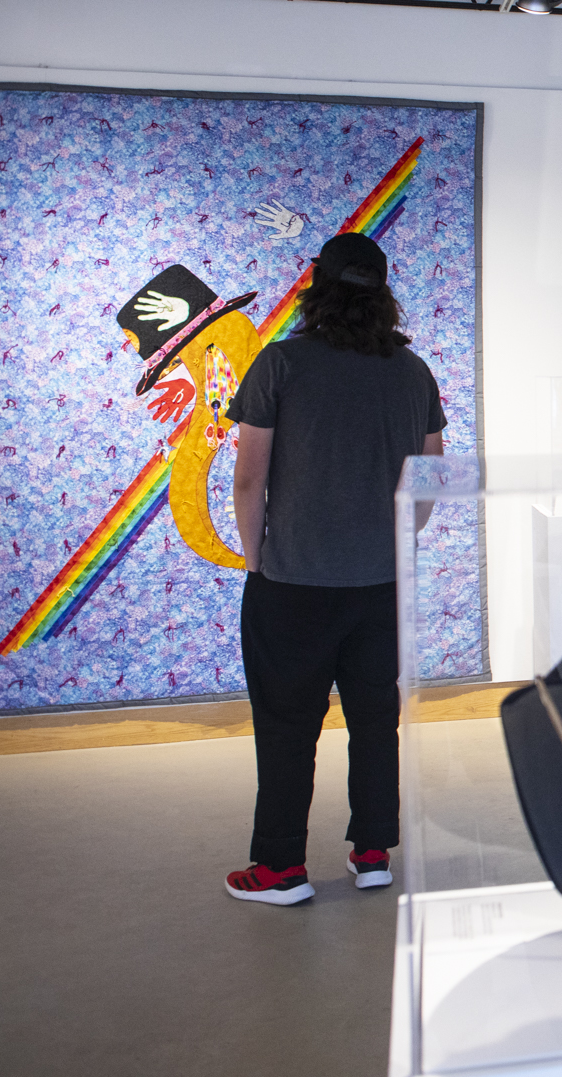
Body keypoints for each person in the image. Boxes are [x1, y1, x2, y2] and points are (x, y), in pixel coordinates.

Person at [222, 233, 447, 906]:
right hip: (381, 583)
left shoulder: (279, 364)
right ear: (383, 294)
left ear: (314, 285)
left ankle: (281, 868)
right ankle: (373, 851)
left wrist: (258, 561)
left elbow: (247, 479)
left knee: (288, 725)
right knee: (377, 720)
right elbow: (432, 481)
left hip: (293, 584)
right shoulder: (413, 373)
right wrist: (394, 545)